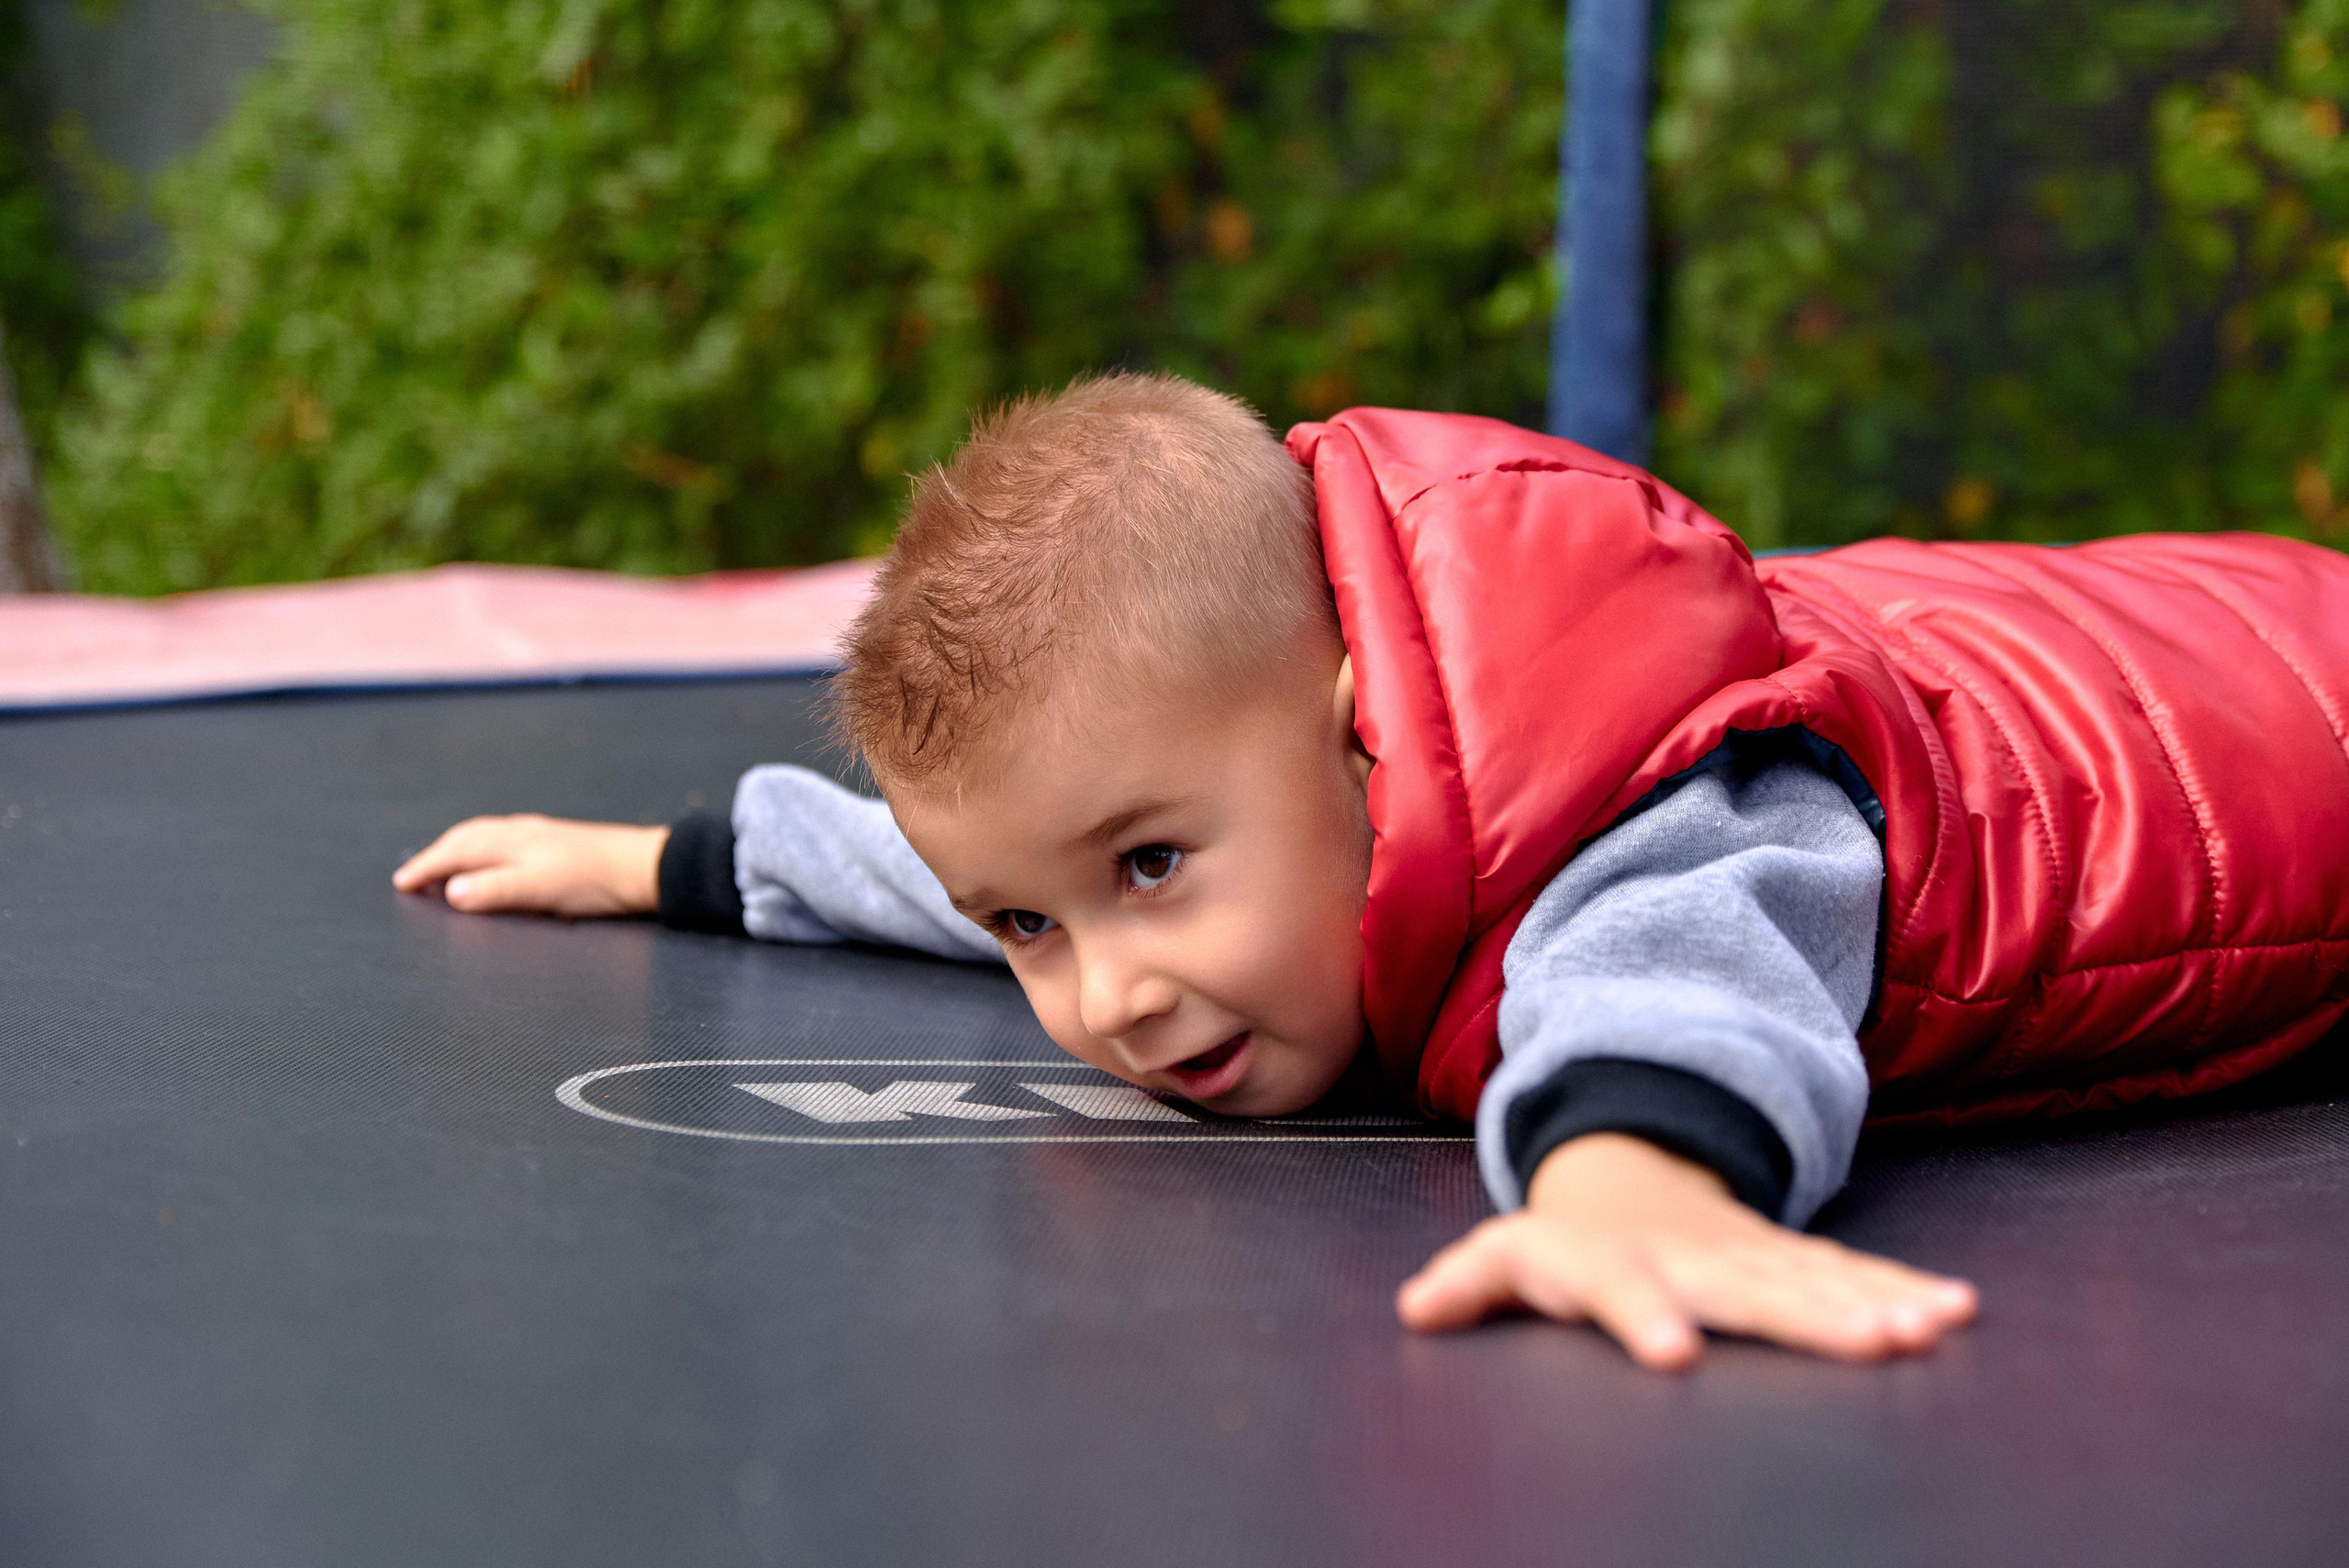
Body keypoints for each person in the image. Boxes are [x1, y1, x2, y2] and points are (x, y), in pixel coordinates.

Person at [394, 373, 2349, 1370]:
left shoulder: (1632, 815)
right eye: (1033, 933)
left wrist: (1622, 1186)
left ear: (1365, 735)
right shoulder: (1215, 814)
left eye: (1151, 870)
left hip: (2264, 722)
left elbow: (1679, 980)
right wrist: (678, 857)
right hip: (1955, 629)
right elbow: (971, 858)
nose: (1106, 997)